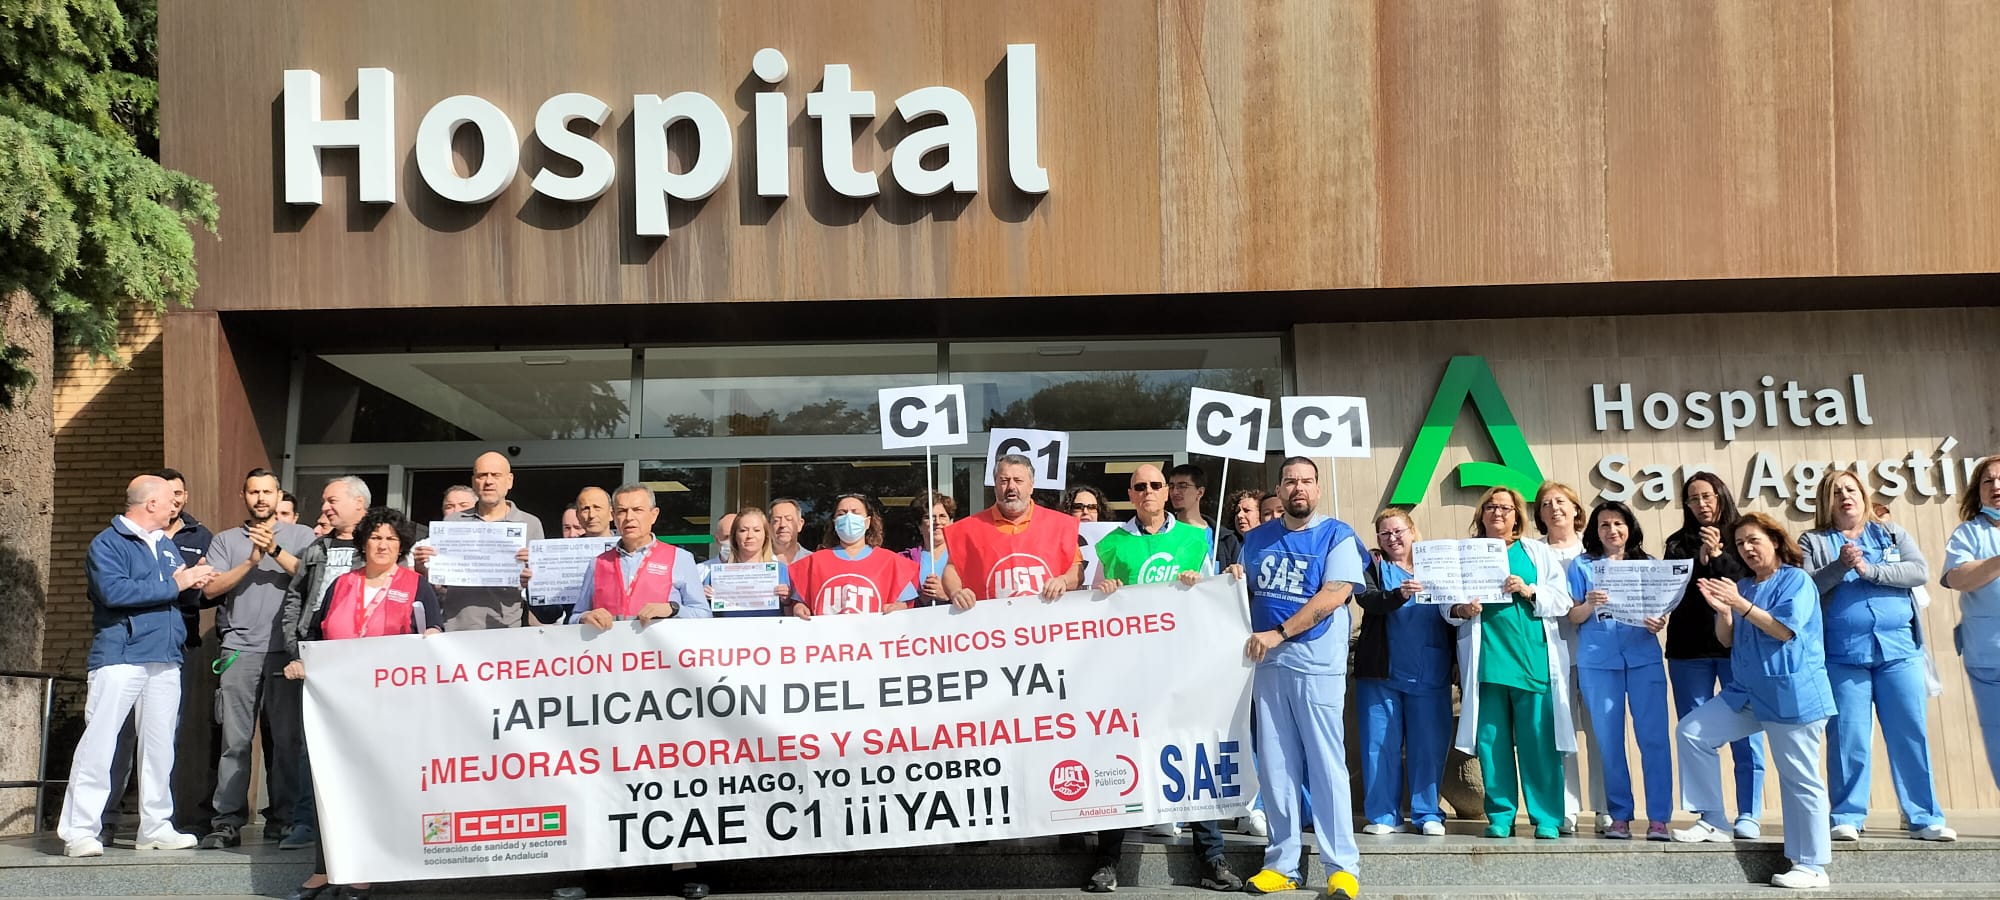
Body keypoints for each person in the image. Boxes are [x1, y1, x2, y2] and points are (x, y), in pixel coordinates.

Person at [1081, 463, 1236, 893]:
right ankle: (1108, 859)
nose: (1148, 492)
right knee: (1120, 759)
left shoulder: (1194, 539)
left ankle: (1212, 857)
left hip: (1184, 664)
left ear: (1168, 492)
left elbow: (1215, 596)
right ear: (1129, 495)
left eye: (1155, 485)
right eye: (1139, 487)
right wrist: (1102, 591)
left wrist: (1199, 582)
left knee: (1194, 755)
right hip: (1130, 670)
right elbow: (1091, 604)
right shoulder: (1111, 544)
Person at [282, 507, 443, 900]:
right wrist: (303, 660)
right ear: (363, 542)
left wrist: (433, 639)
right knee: (330, 785)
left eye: (390, 538)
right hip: (337, 705)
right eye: (375, 537)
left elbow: (435, 631)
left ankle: (364, 871)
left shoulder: (415, 585)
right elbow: (316, 633)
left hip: (390, 705)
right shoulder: (341, 583)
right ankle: (324, 869)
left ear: (402, 544)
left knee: (373, 786)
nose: (382, 544)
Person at [55, 475, 215, 858]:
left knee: (160, 748)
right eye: (169, 499)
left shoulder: (164, 545)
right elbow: (115, 592)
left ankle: (156, 826)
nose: (176, 504)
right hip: (120, 657)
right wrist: (178, 584)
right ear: (150, 504)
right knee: (100, 743)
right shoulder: (108, 543)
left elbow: (177, 593)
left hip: (165, 657)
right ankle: (79, 831)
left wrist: (195, 583)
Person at [1671, 514, 1834, 891]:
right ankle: (1713, 819)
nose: (1746, 548)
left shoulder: (1797, 580)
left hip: (1791, 693)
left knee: (1799, 778)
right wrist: (1724, 612)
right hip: (1746, 692)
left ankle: (1812, 865)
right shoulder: (1744, 585)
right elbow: (1728, 641)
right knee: (1692, 732)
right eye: (1740, 543)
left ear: (1775, 541)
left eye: (1753, 540)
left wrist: (1739, 605)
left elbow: (1783, 629)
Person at [1232, 457, 1363, 899]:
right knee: (1276, 767)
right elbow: (1240, 593)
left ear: (1319, 490)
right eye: (1291, 481)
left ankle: (1341, 867)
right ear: (1279, 489)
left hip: (1315, 664)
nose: (1299, 488)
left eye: (1307, 481)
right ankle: (1282, 862)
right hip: (1267, 667)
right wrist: (1227, 580)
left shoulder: (1338, 536)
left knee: (1326, 766)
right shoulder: (1255, 540)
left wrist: (1280, 632)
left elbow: (1334, 594)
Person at [1802, 470, 1954, 842]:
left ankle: (1922, 816)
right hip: (1843, 654)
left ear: (1863, 495)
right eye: (1836, 492)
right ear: (1826, 501)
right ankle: (1848, 815)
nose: (1845, 497)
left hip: (1899, 651)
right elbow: (1805, 586)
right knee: (1848, 737)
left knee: (1909, 733)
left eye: (1851, 490)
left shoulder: (1890, 533)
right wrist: (1839, 565)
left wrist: (1869, 570)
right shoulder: (1814, 540)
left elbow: (1918, 571)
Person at [196, 468, 319, 848]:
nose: (261, 498)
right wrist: (250, 560)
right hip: (239, 650)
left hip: (286, 652)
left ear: (280, 495)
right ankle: (227, 821)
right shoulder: (225, 540)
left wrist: (275, 552)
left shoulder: (302, 536)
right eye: (254, 492)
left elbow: (315, 579)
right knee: (235, 741)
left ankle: (282, 819)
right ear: (244, 497)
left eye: (268, 491)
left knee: (286, 742)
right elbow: (211, 589)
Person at [1444, 485, 1575, 840]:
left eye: (1505, 507)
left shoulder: (1536, 553)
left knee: (1538, 739)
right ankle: (1501, 814)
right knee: (1491, 741)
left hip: (1530, 656)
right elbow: (1445, 603)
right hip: (1487, 660)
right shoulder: (1465, 553)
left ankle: (1547, 816)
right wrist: (1462, 609)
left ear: (1517, 514)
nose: (1497, 513)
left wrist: (1530, 590)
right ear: (1481, 514)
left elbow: (1562, 600)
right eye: (1490, 506)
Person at [1662, 473, 1765, 838]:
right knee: (1695, 731)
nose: (1701, 504)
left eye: (1708, 496)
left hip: (1737, 647)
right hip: (1689, 649)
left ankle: (1749, 813)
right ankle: (1710, 815)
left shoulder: (1743, 537)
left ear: (1721, 496)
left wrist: (1720, 555)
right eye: (1693, 499)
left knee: (1746, 732)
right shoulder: (1677, 543)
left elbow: (1745, 582)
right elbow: (1673, 591)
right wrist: (1699, 557)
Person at [275, 475, 373, 852]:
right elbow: (294, 600)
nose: (325, 507)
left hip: (361, 658)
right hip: (316, 655)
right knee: (310, 743)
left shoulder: (375, 548)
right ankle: (304, 821)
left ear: (359, 505)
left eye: (333, 500)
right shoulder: (317, 548)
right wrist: (295, 649)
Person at [1564, 500, 1671, 841]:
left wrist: (1659, 622)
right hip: (1598, 661)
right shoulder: (1582, 566)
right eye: (1604, 525)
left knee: (1653, 740)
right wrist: (1588, 605)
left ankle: (1659, 819)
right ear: (1595, 531)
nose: (1612, 530)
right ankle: (1619, 816)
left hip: (1643, 658)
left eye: (1618, 523)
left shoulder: (1648, 564)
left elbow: (1659, 612)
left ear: (1630, 527)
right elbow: (1572, 617)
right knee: (1609, 742)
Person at [1352, 508, 1453, 838]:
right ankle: (1384, 814)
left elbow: (1454, 606)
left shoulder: (1436, 563)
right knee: (1378, 745)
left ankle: (1427, 813)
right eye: (1384, 533)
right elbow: (1366, 598)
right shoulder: (1375, 566)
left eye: (1398, 531)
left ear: (1412, 531)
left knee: (1429, 745)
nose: (1392, 538)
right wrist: (1399, 595)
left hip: (1430, 668)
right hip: (1381, 672)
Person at [1535, 481, 1606, 834]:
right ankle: (1566, 807)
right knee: (1560, 734)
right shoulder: (1532, 551)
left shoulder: (1593, 552)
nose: (1554, 508)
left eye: (1561, 501)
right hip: (1550, 652)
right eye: (1546, 503)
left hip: (1595, 653)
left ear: (1577, 509)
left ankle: (1607, 807)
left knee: (1599, 732)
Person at [415, 452, 542, 630]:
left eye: (496, 475)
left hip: (506, 629)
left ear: (509, 480)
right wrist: (423, 568)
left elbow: (541, 586)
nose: (488, 481)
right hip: (455, 627)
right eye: (482, 475)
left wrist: (533, 577)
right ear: (474, 481)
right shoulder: (453, 523)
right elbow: (441, 582)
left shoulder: (530, 523)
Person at [941, 454, 1081, 605]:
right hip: (992, 624)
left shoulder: (1060, 525)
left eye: (1018, 480)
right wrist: (956, 592)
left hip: (1045, 623)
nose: (1011, 487)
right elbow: (952, 569)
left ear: (1031, 486)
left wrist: (1064, 581)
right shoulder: (968, 529)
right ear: (995, 486)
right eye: (1004, 481)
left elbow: (1077, 569)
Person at [573, 484, 711, 628]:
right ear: (613, 517)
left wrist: (673, 609)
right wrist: (584, 617)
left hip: (659, 649)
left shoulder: (680, 558)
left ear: (653, 515)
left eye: (637, 510)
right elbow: (575, 616)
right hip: (611, 647)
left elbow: (703, 614)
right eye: (622, 511)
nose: (629, 517)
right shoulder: (598, 563)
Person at [1945, 454, 2000, 790]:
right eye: (1988, 481)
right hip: (1989, 655)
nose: (1996, 486)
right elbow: (1957, 578)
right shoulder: (1969, 533)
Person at [789, 494, 919, 617]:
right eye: (842, 513)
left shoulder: (891, 562)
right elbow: (799, 601)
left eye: (855, 512)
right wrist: (799, 608)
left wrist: (899, 608)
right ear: (835, 522)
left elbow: (905, 603)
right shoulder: (813, 563)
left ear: (867, 522)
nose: (848, 517)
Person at [702, 507, 790, 618]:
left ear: (766, 535)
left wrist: (787, 601)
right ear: (734, 536)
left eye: (757, 530)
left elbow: (792, 617)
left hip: (769, 633)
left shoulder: (780, 570)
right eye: (743, 530)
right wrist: (703, 598)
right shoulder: (716, 574)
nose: (750, 536)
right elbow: (702, 616)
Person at [902, 491, 955, 607]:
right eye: (929, 517)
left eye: (942, 516)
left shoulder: (966, 558)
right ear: (919, 526)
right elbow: (898, 602)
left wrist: (948, 595)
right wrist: (921, 599)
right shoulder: (903, 561)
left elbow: (977, 599)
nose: (937, 522)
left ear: (951, 522)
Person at [1216, 489, 1262, 571]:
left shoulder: (1271, 546)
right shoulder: (1229, 547)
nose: (1239, 515)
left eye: (1247, 510)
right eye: (1237, 511)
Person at [1167, 463, 1211, 533]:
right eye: (1171, 487)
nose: (1175, 492)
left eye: (1182, 486)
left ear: (1200, 492)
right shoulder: (1163, 531)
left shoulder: (1221, 537)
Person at [768, 498, 811, 563]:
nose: (782, 525)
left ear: (800, 524)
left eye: (789, 519)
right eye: (776, 520)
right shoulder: (758, 561)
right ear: (769, 526)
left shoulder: (812, 560)